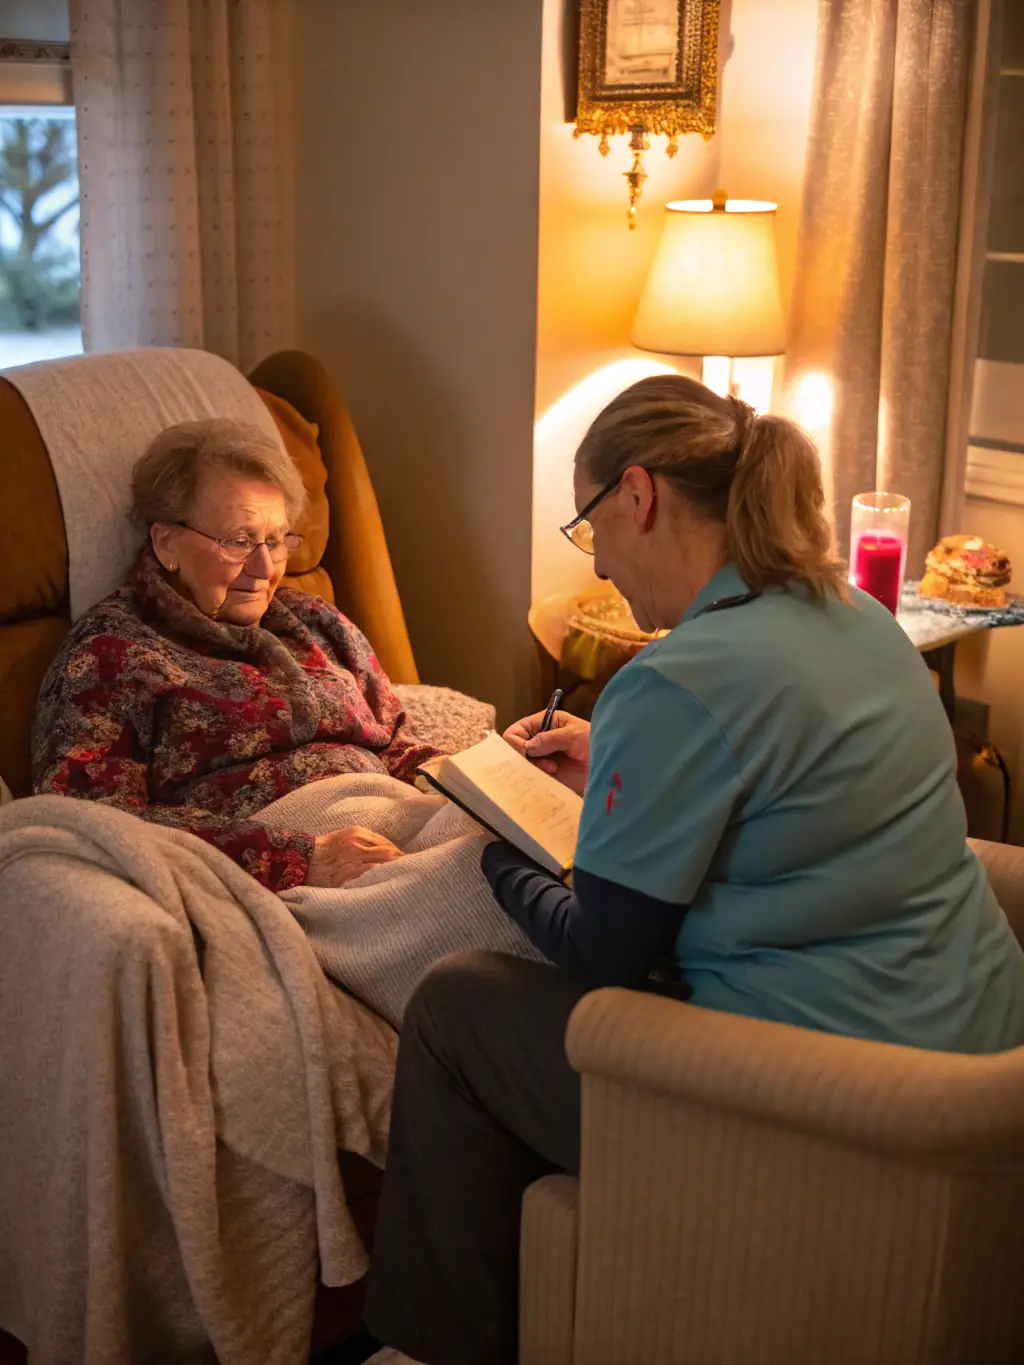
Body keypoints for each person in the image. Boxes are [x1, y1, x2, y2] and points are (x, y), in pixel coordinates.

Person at [363, 375, 1024, 1365]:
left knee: (461, 1003)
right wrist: (616, 769)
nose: (602, 565)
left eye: (589, 529)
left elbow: (608, 956)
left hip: (828, 1103)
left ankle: (433, 1344)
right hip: (974, 1060)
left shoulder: (675, 678)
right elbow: (781, 802)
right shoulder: (855, 618)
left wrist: (501, 846)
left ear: (639, 496)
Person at [33, 417, 436, 890]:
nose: (265, 568)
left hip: (398, 821)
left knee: (525, 849)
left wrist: (481, 779)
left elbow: (396, 743)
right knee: (495, 900)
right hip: (291, 875)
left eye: (277, 540)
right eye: (240, 541)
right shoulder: (113, 652)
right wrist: (299, 860)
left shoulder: (315, 621)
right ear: (167, 543)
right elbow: (90, 824)